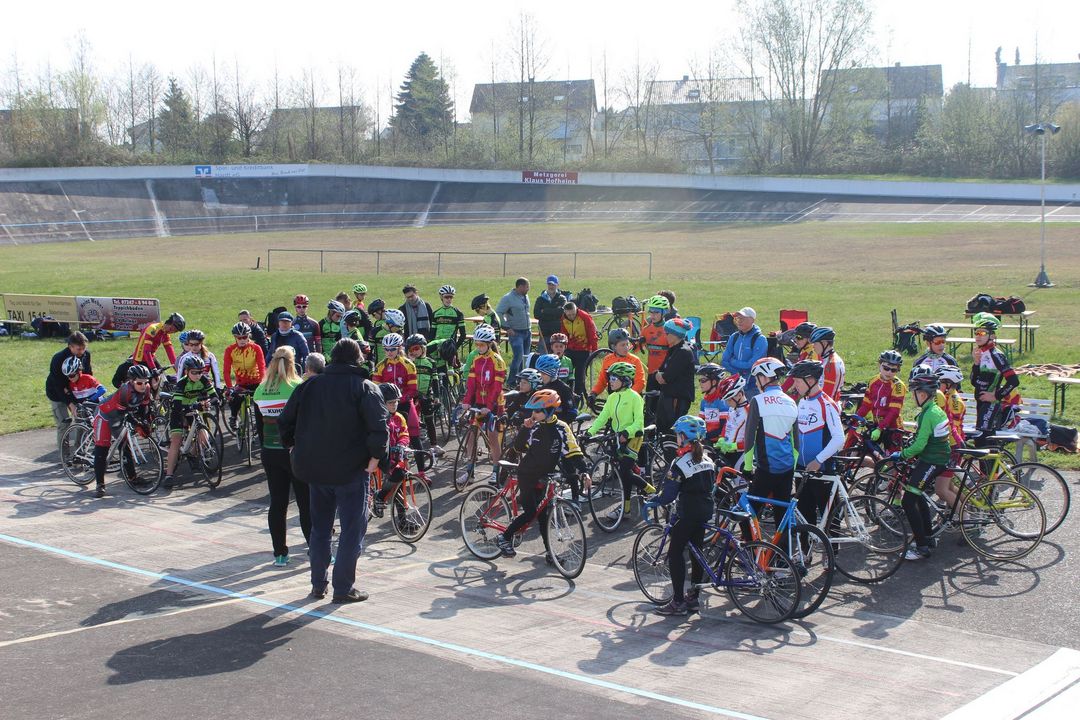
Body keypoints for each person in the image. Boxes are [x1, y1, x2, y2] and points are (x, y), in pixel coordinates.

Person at [279, 338, 389, 604]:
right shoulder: (364, 387)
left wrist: (294, 447)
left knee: (320, 529)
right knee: (352, 530)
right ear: (358, 360)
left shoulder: (310, 385)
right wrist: (375, 459)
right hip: (351, 471)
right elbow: (380, 428)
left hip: (316, 470)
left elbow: (285, 420)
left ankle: (318, 584)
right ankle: (343, 587)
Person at [494, 389, 590, 563]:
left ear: (550, 410)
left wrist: (584, 471)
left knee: (543, 516)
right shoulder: (533, 426)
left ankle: (550, 555)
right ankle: (505, 537)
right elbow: (518, 448)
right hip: (527, 474)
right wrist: (525, 429)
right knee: (531, 512)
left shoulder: (561, 428)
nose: (533, 414)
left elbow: (574, 452)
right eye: (533, 411)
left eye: (537, 411)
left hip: (544, 476)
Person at [642, 415, 714, 616]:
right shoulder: (708, 459)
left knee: (675, 554)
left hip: (688, 512)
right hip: (706, 510)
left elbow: (668, 496)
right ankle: (694, 599)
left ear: (683, 437)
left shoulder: (680, 462)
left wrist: (653, 500)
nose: (676, 438)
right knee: (696, 551)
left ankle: (678, 601)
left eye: (677, 435)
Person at [250, 345, 308, 566]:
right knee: (305, 502)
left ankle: (280, 554)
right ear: (293, 363)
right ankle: (315, 548)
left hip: (269, 450)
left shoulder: (260, 389)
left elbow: (259, 426)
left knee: (277, 503)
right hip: (293, 451)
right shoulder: (297, 386)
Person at [888, 369, 951, 561]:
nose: (912, 396)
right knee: (917, 496)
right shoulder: (932, 409)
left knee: (908, 501)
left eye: (914, 392)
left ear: (922, 394)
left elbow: (920, 444)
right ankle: (928, 538)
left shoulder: (928, 414)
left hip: (933, 460)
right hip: (932, 458)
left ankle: (922, 546)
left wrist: (902, 454)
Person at [588, 362, 653, 522]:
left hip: (634, 437)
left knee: (624, 472)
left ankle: (651, 491)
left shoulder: (634, 397)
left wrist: (627, 432)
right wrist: (589, 432)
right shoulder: (612, 397)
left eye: (614, 378)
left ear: (624, 380)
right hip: (618, 438)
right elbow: (603, 417)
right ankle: (627, 509)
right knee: (625, 475)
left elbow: (639, 422)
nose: (610, 381)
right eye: (610, 378)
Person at [741, 357, 799, 532]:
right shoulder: (791, 402)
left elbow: (749, 438)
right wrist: (793, 469)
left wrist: (748, 466)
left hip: (766, 468)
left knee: (747, 515)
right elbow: (796, 443)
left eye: (757, 377)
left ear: (765, 377)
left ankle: (750, 555)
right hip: (787, 468)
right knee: (782, 518)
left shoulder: (758, 401)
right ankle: (782, 558)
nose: (756, 383)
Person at [787, 361, 844, 533]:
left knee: (830, 519)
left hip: (822, 470)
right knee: (805, 516)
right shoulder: (801, 402)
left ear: (810, 380)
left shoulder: (827, 404)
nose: (794, 384)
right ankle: (806, 555)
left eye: (797, 380)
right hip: (802, 469)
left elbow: (839, 438)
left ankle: (833, 556)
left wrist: (819, 460)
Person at [91, 364, 154, 498]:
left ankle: (132, 478)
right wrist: (137, 424)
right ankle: (100, 484)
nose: (143, 385)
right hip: (105, 415)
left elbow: (144, 409)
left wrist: (145, 423)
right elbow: (127, 413)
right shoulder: (125, 391)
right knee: (102, 448)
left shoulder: (147, 389)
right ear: (131, 381)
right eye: (139, 383)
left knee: (125, 446)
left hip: (119, 416)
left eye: (146, 382)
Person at [459, 324, 506, 486]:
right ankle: (469, 472)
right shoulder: (477, 360)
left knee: (492, 439)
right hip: (479, 404)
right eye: (476, 344)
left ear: (489, 344)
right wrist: (466, 401)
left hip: (494, 405)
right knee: (471, 437)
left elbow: (496, 387)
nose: (478, 347)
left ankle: (495, 472)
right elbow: (471, 383)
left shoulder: (497, 361)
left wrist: (489, 405)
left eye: (481, 345)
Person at [163, 356, 215, 488]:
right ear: (187, 371)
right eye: (194, 372)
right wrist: (196, 405)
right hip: (179, 412)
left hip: (193, 409)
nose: (198, 375)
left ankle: (192, 454)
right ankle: (169, 475)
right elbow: (178, 405)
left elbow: (214, 396)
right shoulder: (181, 383)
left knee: (204, 437)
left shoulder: (203, 380)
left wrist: (213, 401)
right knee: (176, 441)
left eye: (200, 372)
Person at [970, 313, 1020, 440]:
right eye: (976, 332)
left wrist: (996, 396)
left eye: (982, 333)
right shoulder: (981, 353)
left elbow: (1014, 381)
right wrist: (976, 364)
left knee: (983, 441)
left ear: (992, 336)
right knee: (980, 443)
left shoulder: (996, 355)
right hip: (980, 402)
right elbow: (974, 382)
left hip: (990, 404)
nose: (977, 336)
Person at [373, 333, 422, 449]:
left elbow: (413, 389)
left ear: (399, 348)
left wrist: (399, 400)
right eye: (386, 349)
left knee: (414, 436)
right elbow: (376, 389)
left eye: (392, 349)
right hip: (386, 405)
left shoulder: (409, 365)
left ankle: (421, 468)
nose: (389, 352)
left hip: (405, 403)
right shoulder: (380, 366)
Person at [370, 383, 411, 518]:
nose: (394, 405)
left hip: (395, 455)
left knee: (398, 481)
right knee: (398, 476)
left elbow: (404, 434)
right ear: (382, 402)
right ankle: (380, 497)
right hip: (379, 456)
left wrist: (401, 444)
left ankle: (402, 519)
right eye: (391, 402)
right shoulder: (377, 417)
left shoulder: (400, 417)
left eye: (396, 402)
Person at [45, 331, 93, 448]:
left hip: (77, 391)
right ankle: (64, 456)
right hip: (57, 392)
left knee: (81, 420)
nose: (81, 352)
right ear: (70, 346)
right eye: (78, 349)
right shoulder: (58, 359)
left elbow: (88, 374)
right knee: (64, 423)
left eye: (83, 348)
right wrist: (70, 403)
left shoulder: (86, 355)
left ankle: (80, 452)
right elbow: (58, 385)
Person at [855, 350, 908, 452]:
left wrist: (880, 428)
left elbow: (894, 412)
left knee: (892, 461)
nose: (889, 372)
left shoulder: (898, 386)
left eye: (893, 370)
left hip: (893, 427)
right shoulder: (873, 381)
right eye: (886, 368)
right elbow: (866, 405)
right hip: (877, 425)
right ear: (879, 365)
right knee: (865, 450)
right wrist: (856, 418)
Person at [654, 318, 697, 435]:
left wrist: (660, 375)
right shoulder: (673, 349)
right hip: (667, 395)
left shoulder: (684, 352)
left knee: (671, 431)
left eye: (667, 333)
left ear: (675, 335)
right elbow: (660, 371)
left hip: (677, 398)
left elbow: (664, 378)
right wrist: (660, 374)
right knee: (661, 428)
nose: (665, 336)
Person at [933, 365, 966, 510]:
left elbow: (950, 425)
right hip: (948, 444)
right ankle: (969, 506)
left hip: (952, 445)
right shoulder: (945, 397)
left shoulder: (954, 400)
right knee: (949, 485)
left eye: (938, 382)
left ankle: (965, 515)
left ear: (948, 384)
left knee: (942, 488)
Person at [223, 322, 267, 430]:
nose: (242, 340)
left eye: (245, 337)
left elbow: (262, 367)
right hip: (241, 383)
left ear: (249, 336)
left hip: (256, 381)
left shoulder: (256, 348)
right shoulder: (230, 350)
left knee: (259, 404)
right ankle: (233, 417)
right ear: (235, 337)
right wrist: (229, 387)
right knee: (235, 398)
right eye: (239, 337)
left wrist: (262, 384)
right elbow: (226, 371)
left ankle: (260, 422)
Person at [589, 328, 646, 408]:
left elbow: (640, 383)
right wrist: (594, 393)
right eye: (622, 345)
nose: (626, 347)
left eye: (627, 344)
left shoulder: (635, 360)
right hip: (614, 400)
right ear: (613, 346)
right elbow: (602, 381)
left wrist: (626, 397)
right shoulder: (607, 360)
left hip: (631, 400)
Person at [721, 307, 767, 399]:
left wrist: (733, 362)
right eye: (738, 318)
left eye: (743, 318)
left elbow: (752, 364)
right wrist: (737, 373)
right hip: (735, 382)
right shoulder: (734, 337)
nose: (739, 321)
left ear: (752, 320)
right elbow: (724, 361)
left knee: (751, 412)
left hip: (753, 385)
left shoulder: (760, 339)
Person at [406, 333, 440, 457]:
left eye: (416, 348)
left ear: (423, 348)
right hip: (412, 396)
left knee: (430, 419)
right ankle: (408, 446)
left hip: (425, 395)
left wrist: (437, 396)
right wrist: (410, 361)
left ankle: (434, 444)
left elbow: (435, 380)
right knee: (410, 421)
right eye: (411, 349)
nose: (414, 352)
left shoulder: (431, 362)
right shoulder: (408, 363)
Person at [495, 277, 532, 379]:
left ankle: (522, 380)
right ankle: (511, 380)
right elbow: (498, 312)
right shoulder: (508, 298)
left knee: (525, 358)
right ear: (520, 287)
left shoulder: (525, 296)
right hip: (516, 333)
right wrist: (506, 327)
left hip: (527, 331)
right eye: (527, 287)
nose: (528, 289)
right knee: (518, 357)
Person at [560, 301, 597, 398]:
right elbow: (564, 334)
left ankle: (578, 395)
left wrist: (594, 351)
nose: (571, 316)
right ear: (565, 312)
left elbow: (592, 334)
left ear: (576, 310)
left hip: (583, 350)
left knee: (579, 375)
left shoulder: (585, 317)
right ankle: (566, 392)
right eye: (569, 314)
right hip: (570, 349)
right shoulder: (563, 318)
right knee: (566, 371)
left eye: (573, 314)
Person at [714, 376, 749, 466]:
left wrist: (735, 446)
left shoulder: (749, 411)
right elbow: (727, 424)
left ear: (740, 395)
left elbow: (753, 439)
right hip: (726, 451)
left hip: (741, 454)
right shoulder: (732, 409)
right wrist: (721, 437)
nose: (727, 403)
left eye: (729, 399)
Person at [535, 353, 577, 424]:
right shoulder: (541, 389)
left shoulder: (564, 389)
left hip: (558, 426)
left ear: (553, 373)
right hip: (543, 426)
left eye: (543, 374)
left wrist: (558, 424)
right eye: (540, 373)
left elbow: (572, 412)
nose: (541, 376)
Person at [641, 295, 671, 390]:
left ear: (664, 312)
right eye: (651, 312)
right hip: (651, 373)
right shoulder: (646, 330)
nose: (653, 315)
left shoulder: (669, 330)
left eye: (656, 312)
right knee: (650, 403)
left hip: (665, 374)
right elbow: (636, 348)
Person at [533, 274, 568, 353]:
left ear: (557, 285)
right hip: (544, 332)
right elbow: (536, 314)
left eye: (553, 284)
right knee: (543, 355)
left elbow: (561, 312)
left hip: (557, 333)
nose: (551, 286)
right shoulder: (540, 299)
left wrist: (544, 311)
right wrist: (554, 312)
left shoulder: (562, 298)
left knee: (557, 355)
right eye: (549, 284)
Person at [810, 326, 845, 402]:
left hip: (828, 406)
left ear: (824, 343)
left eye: (815, 343)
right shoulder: (825, 358)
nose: (813, 346)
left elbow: (828, 395)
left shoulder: (833, 363)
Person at [695, 363, 728, 442]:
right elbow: (701, 423)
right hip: (707, 439)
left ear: (713, 382)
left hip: (719, 442)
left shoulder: (721, 402)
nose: (700, 383)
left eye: (703, 380)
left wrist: (704, 436)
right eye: (700, 380)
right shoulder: (704, 401)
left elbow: (723, 428)